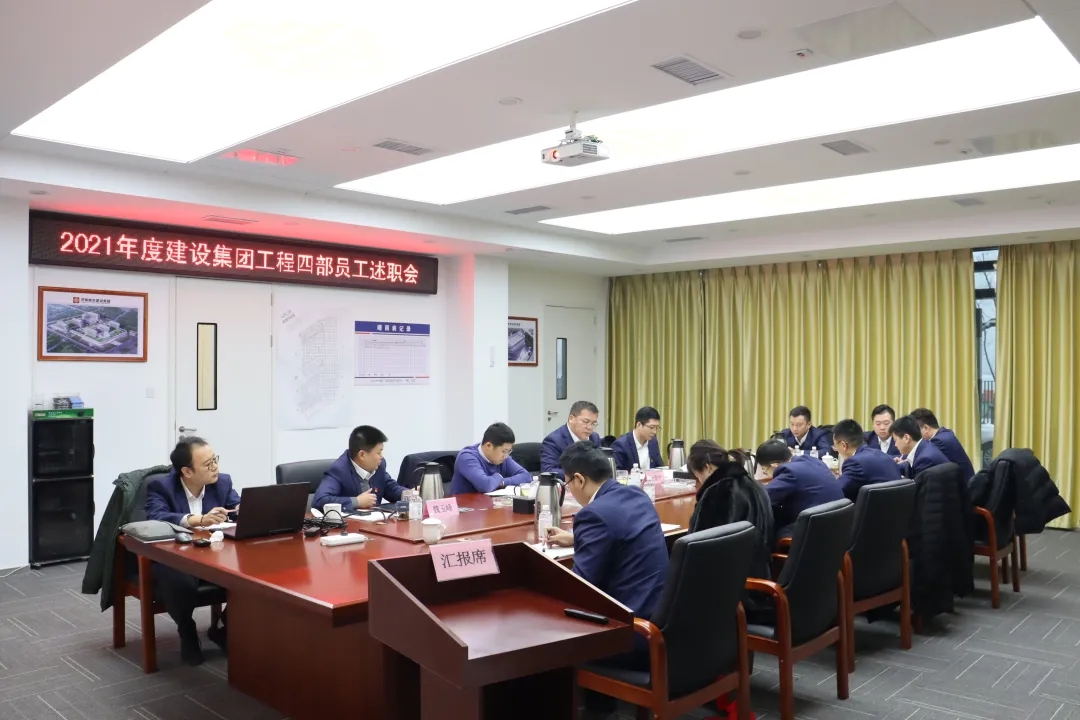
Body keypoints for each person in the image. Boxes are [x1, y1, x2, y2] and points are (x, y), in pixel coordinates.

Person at [544, 442, 668, 631]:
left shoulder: (593, 515)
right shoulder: (637, 494)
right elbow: (620, 533)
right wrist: (576, 538)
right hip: (659, 616)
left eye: (567, 485)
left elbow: (580, 588)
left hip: (627, 626)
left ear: (579, 480)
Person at [145, 437, 239, 665]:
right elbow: (156, 517)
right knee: (179, 580)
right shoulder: (161, 487)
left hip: (215, 555)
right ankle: (187, 629)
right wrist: (198, 520)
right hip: (175, 558)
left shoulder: (222, 483)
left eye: (215, 460)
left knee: (250, 576)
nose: (215, 467)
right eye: (208, 464)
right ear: (187, 471)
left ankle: (223, 627)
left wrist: (241, 510)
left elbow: (236, 507)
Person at [686, 440, 773, 585]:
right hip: (760, 576)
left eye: (697, 476)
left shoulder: (718, 493)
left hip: (728, 585)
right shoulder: (754, 484)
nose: (700, 482)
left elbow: (697, 549)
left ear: (707, 467)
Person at [758, 438, 843, 540]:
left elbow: (763, 498)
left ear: (774, 465)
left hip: (816, 530)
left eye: (765, 470)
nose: (766, 474)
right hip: (837, 525)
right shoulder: (812, 460)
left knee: (765, 532)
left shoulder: (789, 472)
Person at [313, 426, 407, 512]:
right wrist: (357, 501)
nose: (381, 457)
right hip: (349, 523)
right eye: (378, 453)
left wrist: (409, 494)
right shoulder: (339, 470)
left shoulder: (379, 465)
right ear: (362, 455)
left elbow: (391, 489)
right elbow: (320, 501)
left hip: (376, 522)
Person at [449, 422, 532, 494]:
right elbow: (485, 485)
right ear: (488, 446)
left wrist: (502, 482)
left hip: (490, 505)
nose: (506, 455)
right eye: (504, 451)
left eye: (508, 451)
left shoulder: (503, 458)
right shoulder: (467, 457)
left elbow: (526, 476)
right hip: (465, 506)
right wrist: (498, 476)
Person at [833, 419, 902, 501]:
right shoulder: (884, 455)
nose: (836, 450)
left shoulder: (855, 463)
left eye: (835, 446)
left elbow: (837, 492)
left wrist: (832, 480)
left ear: (843, 445)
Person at [910, 408, 976, 481]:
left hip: (962, 485)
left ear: (926, 428)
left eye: (916, 431)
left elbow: (920, 463)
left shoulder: (938, 442)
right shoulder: (944, 433)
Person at [540, 400, 601, 478]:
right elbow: (548, 470)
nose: (589, 427)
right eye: (585, 422)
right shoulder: (553, 440)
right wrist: (583, 475)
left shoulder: (594, 438)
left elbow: (601, 465)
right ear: (571, 418)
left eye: (593, 423)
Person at [891, 415, 950, 479]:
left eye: (895, 440)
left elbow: (917, 484)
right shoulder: (923, 446)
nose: (895, 445)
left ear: (906, 438)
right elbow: (907, 465)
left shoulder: (925, 459)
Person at [610, 406, 664, 472]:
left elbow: (660, 468)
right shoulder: (621, 445)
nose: (654, 432)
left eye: (657, 428)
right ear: (639, 425)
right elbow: (617, 473)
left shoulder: (653, 442)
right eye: (651, 427)